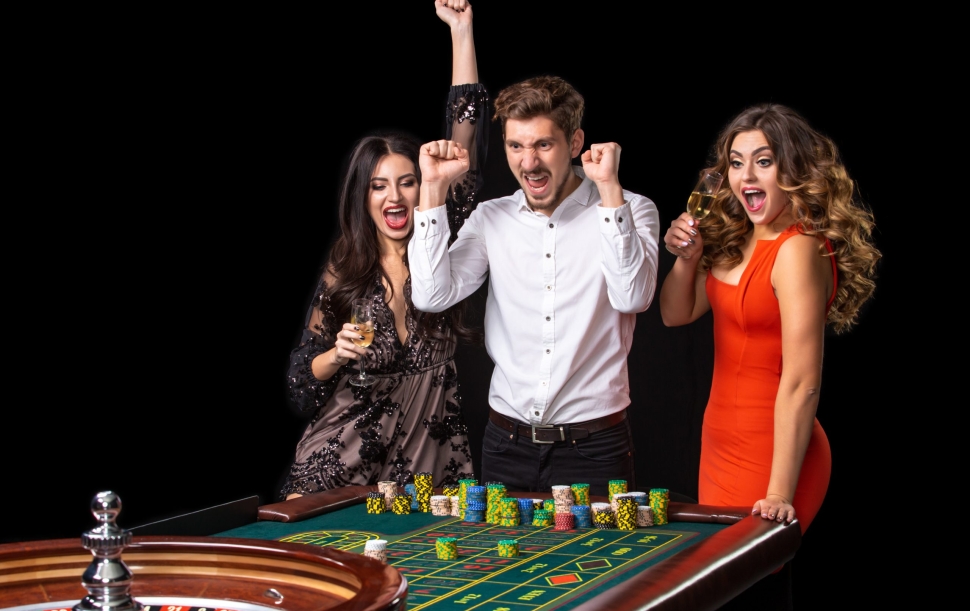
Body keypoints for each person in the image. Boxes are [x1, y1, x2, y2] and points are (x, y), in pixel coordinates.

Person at [408, 76, 660, 497]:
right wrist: (432, 189)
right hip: (506, 446)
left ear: (575, 142)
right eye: (516, 146)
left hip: (595, 449)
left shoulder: (630, 208)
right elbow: (431, 296)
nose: (529, 163)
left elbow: (633, 296)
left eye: (544, 145)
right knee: (503, 565)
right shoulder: (491, 218)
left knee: (597, 566)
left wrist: (609, 189)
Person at [280, 0, 488, 499]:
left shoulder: (440, 244)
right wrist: (336, 353)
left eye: (407, 183)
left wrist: (462, 32)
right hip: (341, 464)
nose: (394, 197)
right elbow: (299, 386)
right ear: (363, 196)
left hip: (427, 468)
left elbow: (466, 130)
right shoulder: (345, 266)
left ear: (425, 188)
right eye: (378, 186)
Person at [659, 103, 881, 534]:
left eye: (764, 162)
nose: (747, 177)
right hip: (720, 438)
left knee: (752, 577)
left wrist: (779, 492)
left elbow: (803, 381)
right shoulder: (732, 236)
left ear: (792, 168)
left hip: (776, 450)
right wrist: (687, 259)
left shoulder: (798, 249)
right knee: (723, 585)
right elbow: (674, 313)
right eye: (737, 164)